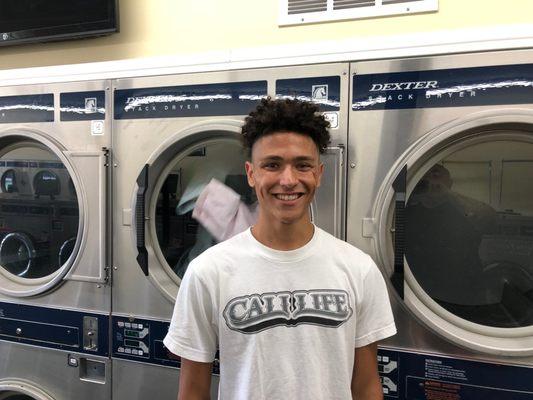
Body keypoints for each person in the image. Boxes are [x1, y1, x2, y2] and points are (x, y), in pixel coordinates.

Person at [163, 98, 396, 400]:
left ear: (319, 174)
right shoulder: (209, 271)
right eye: (272, 165)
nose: (288, 180)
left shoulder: (358, 269)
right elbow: (193, 391)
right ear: (251, 173)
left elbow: (366, 385)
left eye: (302, 165)